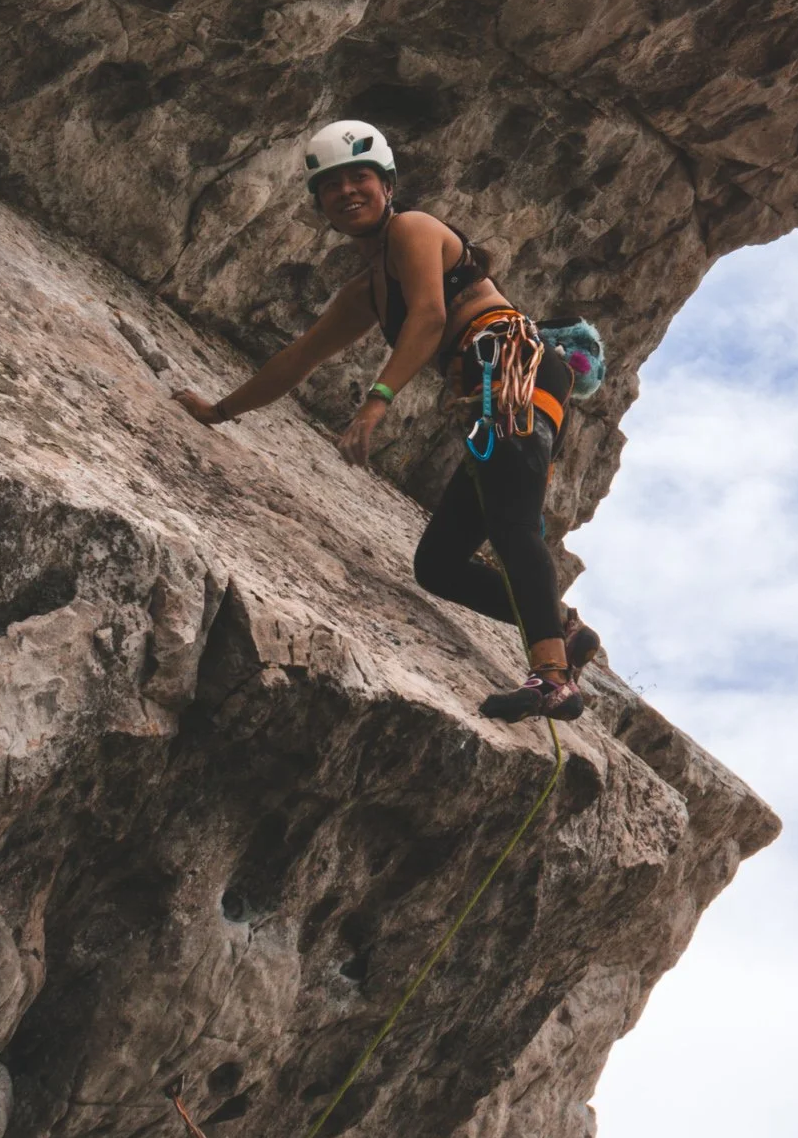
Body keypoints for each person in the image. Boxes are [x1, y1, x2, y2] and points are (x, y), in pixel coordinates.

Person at [173, 119, 599, 722]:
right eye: (332, 185)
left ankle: (554, 681)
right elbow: (299, 357)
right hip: (487, 386)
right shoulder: (366, 293)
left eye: (360, 178)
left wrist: (376, 403)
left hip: (509, 367)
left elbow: (428, 316)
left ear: (387, 185)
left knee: (511, 525)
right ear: (319, 203)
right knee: (440, 566)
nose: (348, 192)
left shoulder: (415, 229)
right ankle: (562, 629)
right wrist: (219, 412)